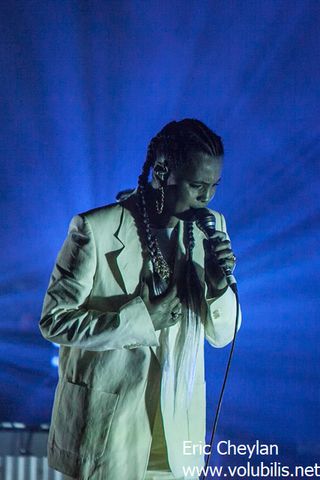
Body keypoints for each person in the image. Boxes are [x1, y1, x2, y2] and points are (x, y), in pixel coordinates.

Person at [39, 118, 241, 480]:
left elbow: (222, 335)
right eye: (197, 185)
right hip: (108, 438)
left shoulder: (212, 228)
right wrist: (140, 321)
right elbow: (54, 319)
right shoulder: (95, 230)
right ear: (162, 173)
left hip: (178, 447)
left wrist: (218, 285)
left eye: (214, 186)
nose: (207, 197)